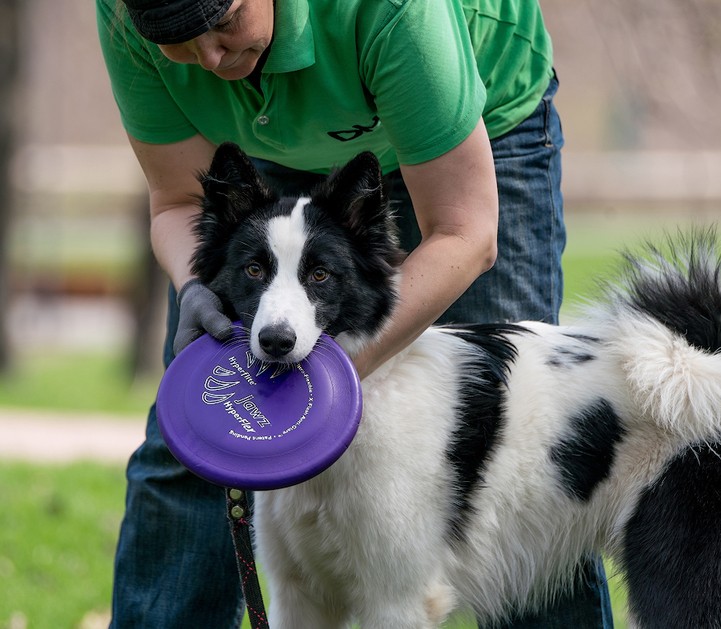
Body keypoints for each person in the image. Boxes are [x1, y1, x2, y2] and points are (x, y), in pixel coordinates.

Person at [96, 0, 614, 626]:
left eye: (224, 20)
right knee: (189, 448)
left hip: (468, 134)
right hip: (274, 143)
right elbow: (178, 198)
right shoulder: (128, 15)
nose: (209, 56)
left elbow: (466, 232)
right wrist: (197, 286)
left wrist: (331, 379)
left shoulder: (393, 13)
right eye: (179, 41)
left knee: (526, 457)